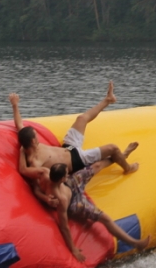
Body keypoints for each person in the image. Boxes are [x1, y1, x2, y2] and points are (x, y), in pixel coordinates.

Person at [8, 81, 139, 189]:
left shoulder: (25, 138)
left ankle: (108, 100)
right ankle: (127, 167)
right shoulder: (35, 162)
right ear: (32, 142)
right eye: (36, 136)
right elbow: (37, 183)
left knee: (81, 118)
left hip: (69, 146)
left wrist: (15, 105)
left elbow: (19, 124)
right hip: (77, 160)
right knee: (113, 148)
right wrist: (48, 197)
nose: (38, 137)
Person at [34, 159, 150, 262]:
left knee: (97, 166)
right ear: (62, 178)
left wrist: (23, 151)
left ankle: (120, 157)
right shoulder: (61, 199)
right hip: (76, 202)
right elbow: (64, 226)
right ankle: (135, 243)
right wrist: (73, 248)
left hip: (71, 184)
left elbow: (24, 170)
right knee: (106, 219)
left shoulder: (45, 172)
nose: (68, 173)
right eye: (66, 173)